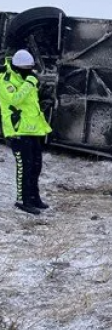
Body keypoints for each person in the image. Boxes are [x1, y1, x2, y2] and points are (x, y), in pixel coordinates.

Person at [0, 49, 52, 215]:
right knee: (25, 166)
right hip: (17, 131)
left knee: (36, 165)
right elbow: (15, 100)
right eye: (26, 68)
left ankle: (34, 197)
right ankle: (23, 200)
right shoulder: (5, 79)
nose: (29, 71)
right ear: (17, 67)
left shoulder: (26, 77)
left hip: (33, 130)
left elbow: (31, 104)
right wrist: (29, 83)